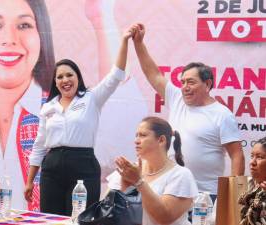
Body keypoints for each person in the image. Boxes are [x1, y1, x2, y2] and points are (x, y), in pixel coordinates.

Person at [24, 27, 134, 216]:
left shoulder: (92, 98)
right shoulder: (48, 107)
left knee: (81, 218)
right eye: (60, 77)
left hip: (84, 168)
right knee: (51, 219)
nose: (65, 80)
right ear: (55, 83)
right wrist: (29, 181)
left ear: (78, 78)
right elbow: (39, 146)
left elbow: (116, 75)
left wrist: (124, 40)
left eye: (69, 75)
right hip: (52, 170)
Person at [129, 23, 245, 200]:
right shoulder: (177, 99)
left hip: (206, 195)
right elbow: (154, 75)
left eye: (191, 82)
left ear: (207, 84)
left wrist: (233, 197)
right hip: (171, 189)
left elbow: (236, 155)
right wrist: (138, 43)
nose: (185, 87)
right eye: (182, 82)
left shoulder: (222, 114)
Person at [0, 0, 55, 210]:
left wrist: (102, 20)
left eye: (24, 25)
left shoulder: (60, 114)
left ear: (41, 37)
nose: (9, 39)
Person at [107, 116, 198, 225]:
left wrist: (138, 182)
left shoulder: (181, 175)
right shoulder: (129, 170)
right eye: (136, 135)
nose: (136, 141)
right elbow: (105, 209)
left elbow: (164, 217)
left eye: (143, 135)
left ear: (161, 140)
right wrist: (124, 185)